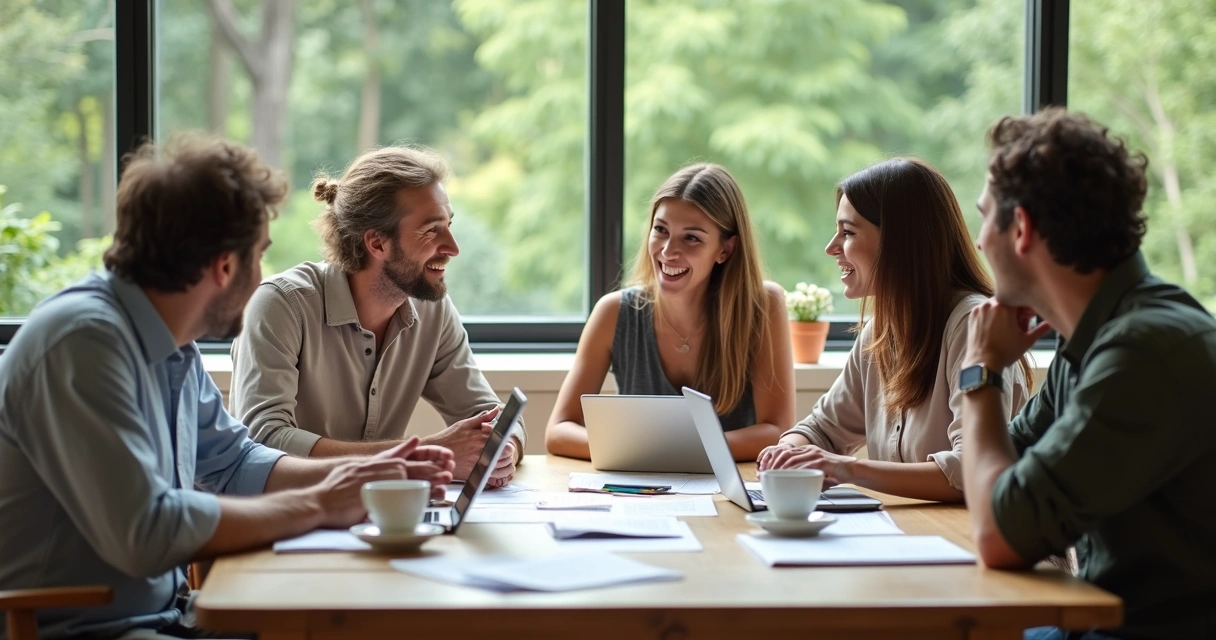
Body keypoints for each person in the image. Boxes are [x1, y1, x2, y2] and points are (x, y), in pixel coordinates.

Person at [0, 134, 454, 640]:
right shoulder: (81, 345)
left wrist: (364, 472)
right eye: (259, 254)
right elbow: (145, 532)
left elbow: (234, 460)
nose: (263, 274)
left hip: (170, 616)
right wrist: (320, 504)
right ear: (224, 266)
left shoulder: (172, 345)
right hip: (86, 630)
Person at [960, 108, 1216, 639]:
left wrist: (980, 374)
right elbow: (1005, 474)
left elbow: (998, 535)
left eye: (984, 217)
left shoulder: (1142, 351)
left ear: (1022, 228)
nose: (980, 240)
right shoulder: (1095, 339)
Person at [229, 146, 523, 487]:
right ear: (377, 243)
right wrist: (421, 456)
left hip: (379, 517)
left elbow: (492, 415)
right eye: (431, 230)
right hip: (286, 517)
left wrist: (503, 451)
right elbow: (263, 440)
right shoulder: (281, 305)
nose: (453, 247)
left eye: (449, 225)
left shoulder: (433, 311)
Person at [758, 158, 1031, 503]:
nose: (831, 248)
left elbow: (969, 470)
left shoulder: (973, 324)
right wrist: (788, 452)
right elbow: (820, 430)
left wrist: (847, 468)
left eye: (848, 232)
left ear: (900, 242)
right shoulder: (879, 333)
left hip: (973, 541)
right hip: (916, 536)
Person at [545, 163, 794, 461]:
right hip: (643, 497)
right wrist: (660, 451)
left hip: (730, 496)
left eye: (691, 238)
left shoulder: (764, 306)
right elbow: (559, 430)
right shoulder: (613, 313)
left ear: (725, 250)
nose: (667, 251)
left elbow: (778, 431)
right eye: (661, 230)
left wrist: (664, 449)